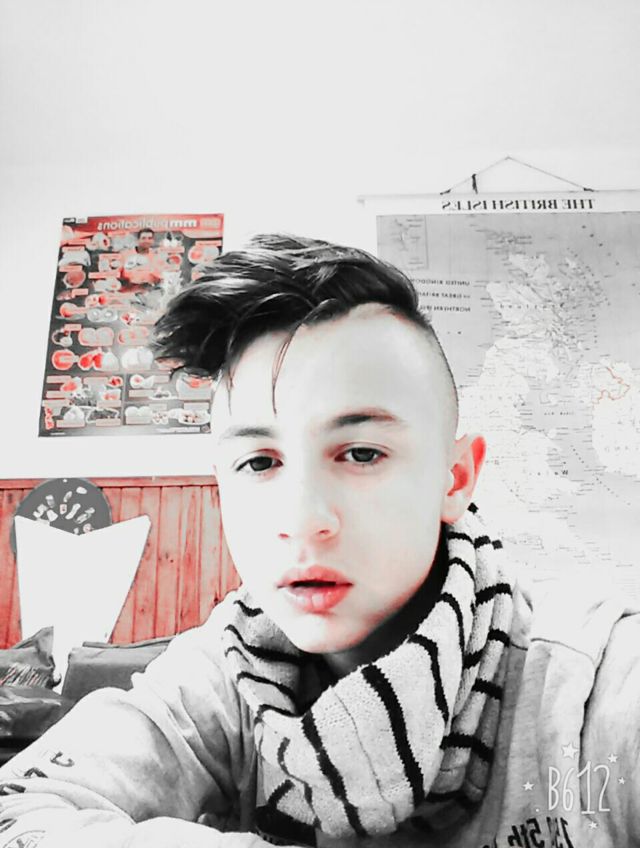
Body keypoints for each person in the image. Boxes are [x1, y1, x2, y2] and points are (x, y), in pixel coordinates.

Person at [1, 235, 638, 848]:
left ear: (456, 478)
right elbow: (18, 811)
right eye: (259, 462)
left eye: (361, 453)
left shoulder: (595, 684)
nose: (302, 521)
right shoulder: (226, 667)